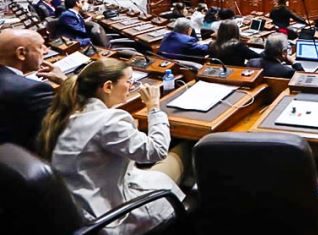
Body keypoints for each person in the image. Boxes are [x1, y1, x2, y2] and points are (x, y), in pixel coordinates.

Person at [38, 59, 185, 235]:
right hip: (109, 216)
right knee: (185, 150)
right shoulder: (109, 121)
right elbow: (157, 151)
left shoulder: (66, 111)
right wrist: (153, 108)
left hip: (81, 206)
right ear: (107, 86)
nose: (132, 86)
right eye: (129, 81)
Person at [0, 29, 66, 150]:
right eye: (40, 47)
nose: (46, 51)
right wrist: (66, 82)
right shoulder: (32, 90)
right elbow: (66, 125)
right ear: (21, 53)